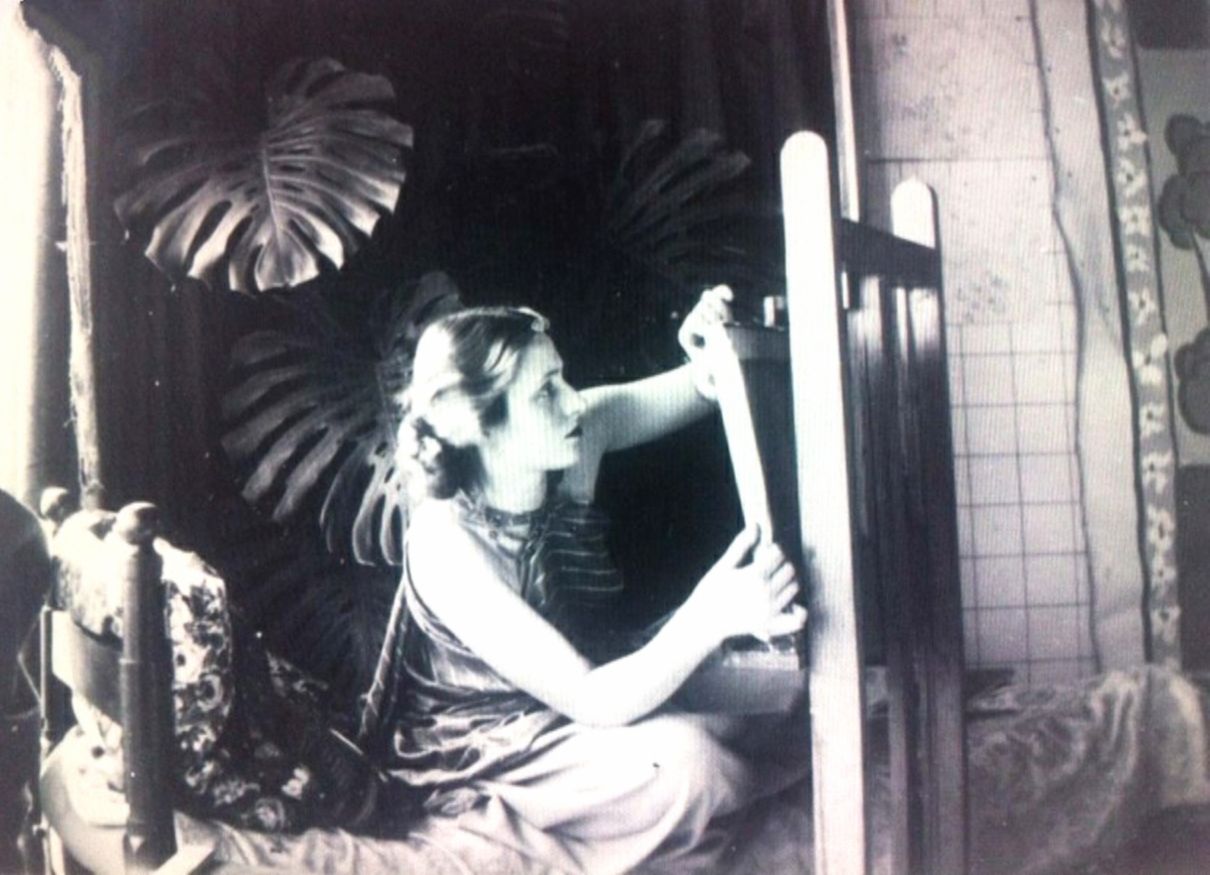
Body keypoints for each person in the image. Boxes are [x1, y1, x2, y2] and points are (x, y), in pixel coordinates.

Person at [360, 287, 807, 874]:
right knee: (694, 766)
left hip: (597, 676)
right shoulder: (445, 544)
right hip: (497, 743)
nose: (572, 402)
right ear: (477, 426)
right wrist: (710, 617)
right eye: (545, 392)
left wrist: (713, 346)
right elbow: (591, 697)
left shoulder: (576, 434)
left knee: (784, 692)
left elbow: (706, 385)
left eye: (561, 378)